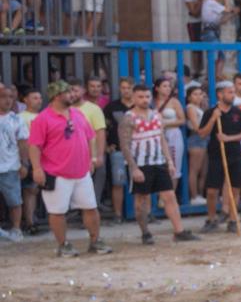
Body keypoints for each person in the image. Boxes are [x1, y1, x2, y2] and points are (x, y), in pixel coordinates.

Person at [28, 80, 109, 256]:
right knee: (57, 211)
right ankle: (63, 244)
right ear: (57, 96)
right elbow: (34, 146)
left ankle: (95, 241)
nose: (72, 94)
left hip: (81, 171)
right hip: (56, 172)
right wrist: (37, 168)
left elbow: (90, 137)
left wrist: (91, 158)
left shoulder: (77, 114)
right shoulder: (43, 118)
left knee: (91, 207)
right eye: (68, 92)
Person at [120, 83, 198, 244]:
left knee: (169, 195)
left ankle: (179, 231)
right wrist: (134, 168)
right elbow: (125, 145)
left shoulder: (156, 115)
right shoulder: (129, 118)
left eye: (147, 96)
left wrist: (169, 160)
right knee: (142, 199)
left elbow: (161, 138)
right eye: (140, 97)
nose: (144, 100)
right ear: (134, 97)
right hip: (141, 163)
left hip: (158, 161)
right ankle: (145, 232)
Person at [200, 80, 241, 230]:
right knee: (212, 191)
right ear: (220, 94)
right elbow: (202, 133)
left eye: (233, 92)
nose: (233, 95)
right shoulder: (210, 112)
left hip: (235, 155)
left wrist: (229, 138)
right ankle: (211, 218)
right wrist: (213, 119)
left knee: (235, 189)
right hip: (216, 156)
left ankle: (233, 219)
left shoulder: (239, 113)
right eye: (230, 92)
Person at [0, 83, 26, 241]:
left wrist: (25, 164)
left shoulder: (17, 119)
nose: (7, 100)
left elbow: (23, 142)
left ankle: (16, 229)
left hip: (10, 166)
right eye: (3, 97)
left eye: (10, 97)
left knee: (14, 200)